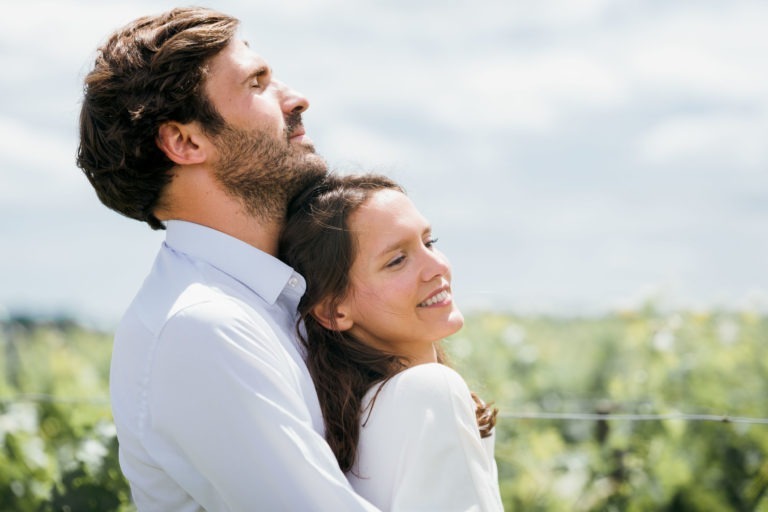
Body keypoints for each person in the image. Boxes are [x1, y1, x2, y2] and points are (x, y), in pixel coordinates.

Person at [76, 7, 379, 511]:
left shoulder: (273, 300)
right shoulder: (202, 328)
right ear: (186, 141)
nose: (297, 98)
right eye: (257, 83)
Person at [279, 173, 504, 511]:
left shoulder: (356, 421)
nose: (437, 266)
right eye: (397, 260)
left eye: (429, 242)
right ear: (333, 310)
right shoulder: (428, 392)